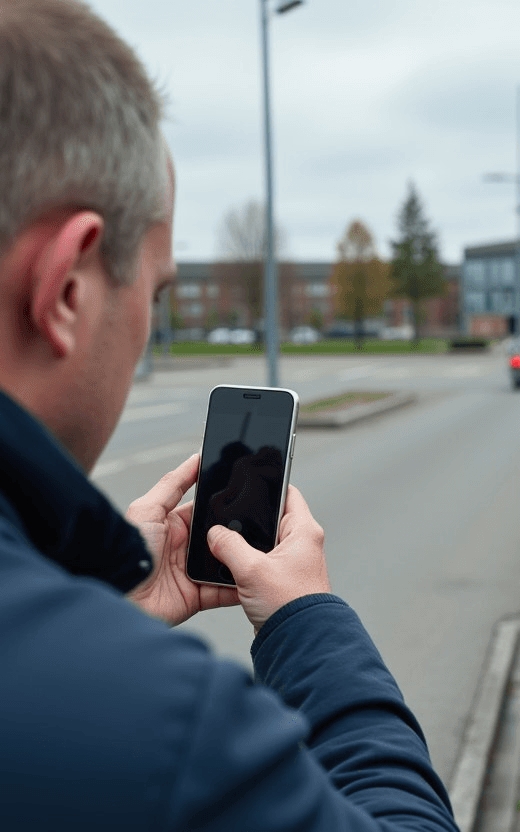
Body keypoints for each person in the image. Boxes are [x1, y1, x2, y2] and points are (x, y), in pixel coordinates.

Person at [0, 2, 458, 830]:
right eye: (155, 287)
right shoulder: (153, 726)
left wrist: (90, 599)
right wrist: (304, 620)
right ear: (68, 289)